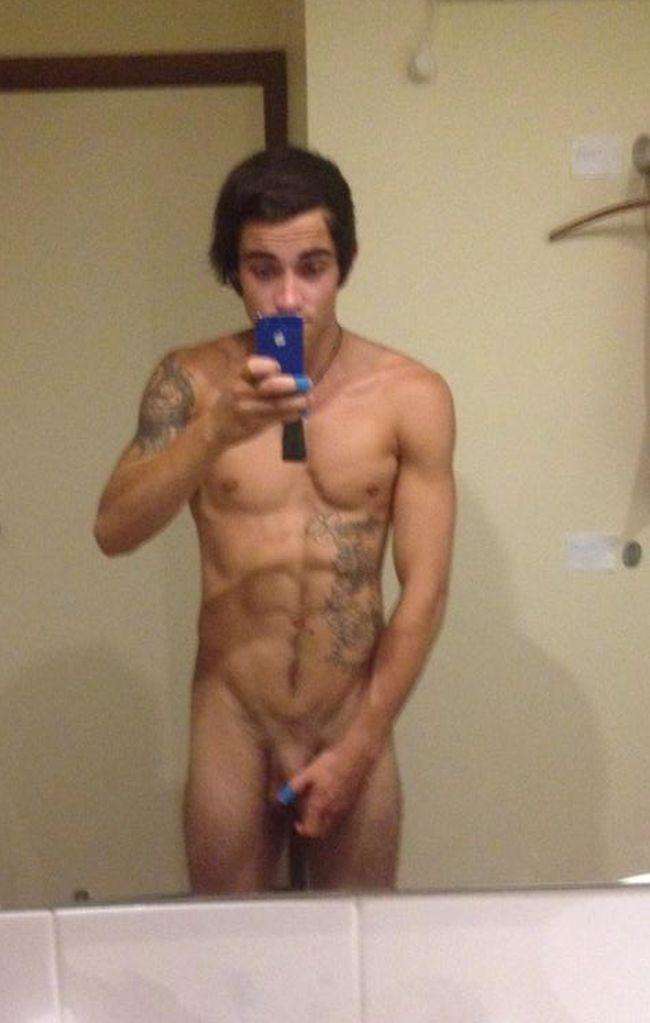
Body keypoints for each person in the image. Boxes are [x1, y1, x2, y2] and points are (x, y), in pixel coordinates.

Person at [93, 146, 456, 893]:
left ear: (345, 265)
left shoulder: (411, 396)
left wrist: (361, 745)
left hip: (351, 717)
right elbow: (113, 530)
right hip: (233, 718)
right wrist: (215, 431)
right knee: (231, 955)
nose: (288, 297)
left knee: (358, 953)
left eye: (311, 267)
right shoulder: (191, 383)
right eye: (264, 269)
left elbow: (425, 590)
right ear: (234, 271)